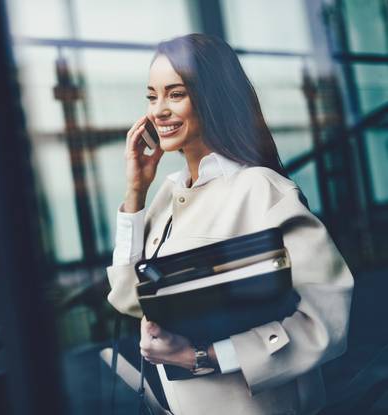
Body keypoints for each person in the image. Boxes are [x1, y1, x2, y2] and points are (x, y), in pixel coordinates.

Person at [106, 33, 354, 415]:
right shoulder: (167, 197)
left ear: (212, 98)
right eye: (152, 96)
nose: (159, 110)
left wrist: (201, 357)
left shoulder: (262, 189)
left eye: (176, 94)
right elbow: (127, 298)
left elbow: (325, 323)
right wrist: (136, 192)